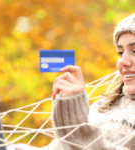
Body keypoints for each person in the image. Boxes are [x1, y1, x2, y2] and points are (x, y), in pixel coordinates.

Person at [7, 13, 135, 150]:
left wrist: (79, 129)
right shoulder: (103, 105)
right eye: (120, 52)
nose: (123, 62)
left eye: (134, 51)